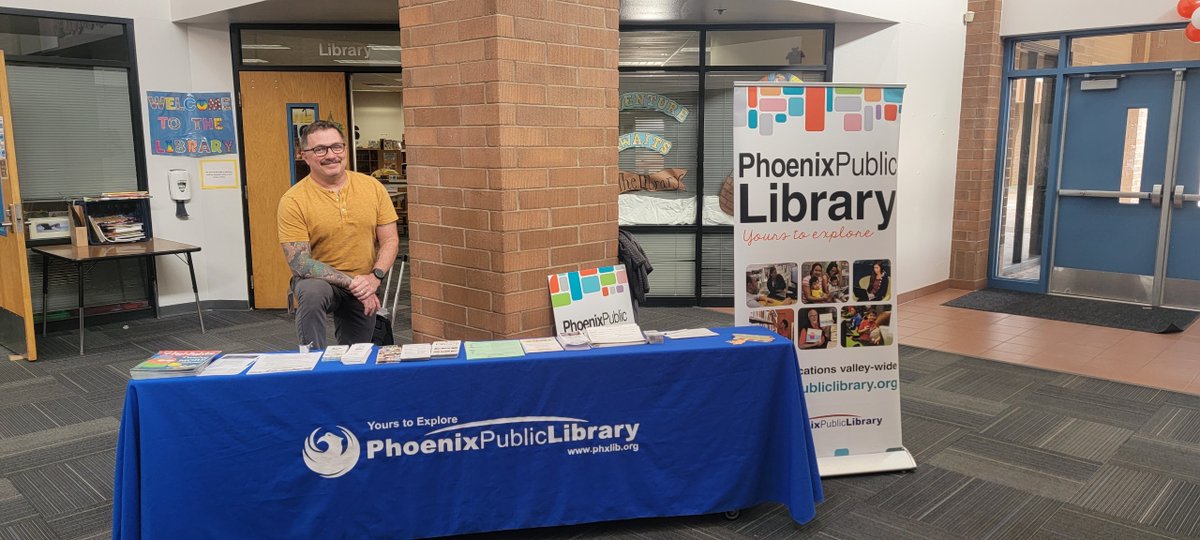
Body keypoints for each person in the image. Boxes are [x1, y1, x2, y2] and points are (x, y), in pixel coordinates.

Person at [277, 120, 399, 349]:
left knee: (358, 355)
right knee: (311, 292)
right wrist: (355, 284)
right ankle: (313, 359)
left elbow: (391, 240)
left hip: (365, 280)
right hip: (324, 283)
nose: (331, 155)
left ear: (344, 148)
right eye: (320, 149)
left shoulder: (372, 188)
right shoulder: (293, 200)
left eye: (336, 147)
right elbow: (300, 263)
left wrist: (375, 278)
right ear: (305, 155)